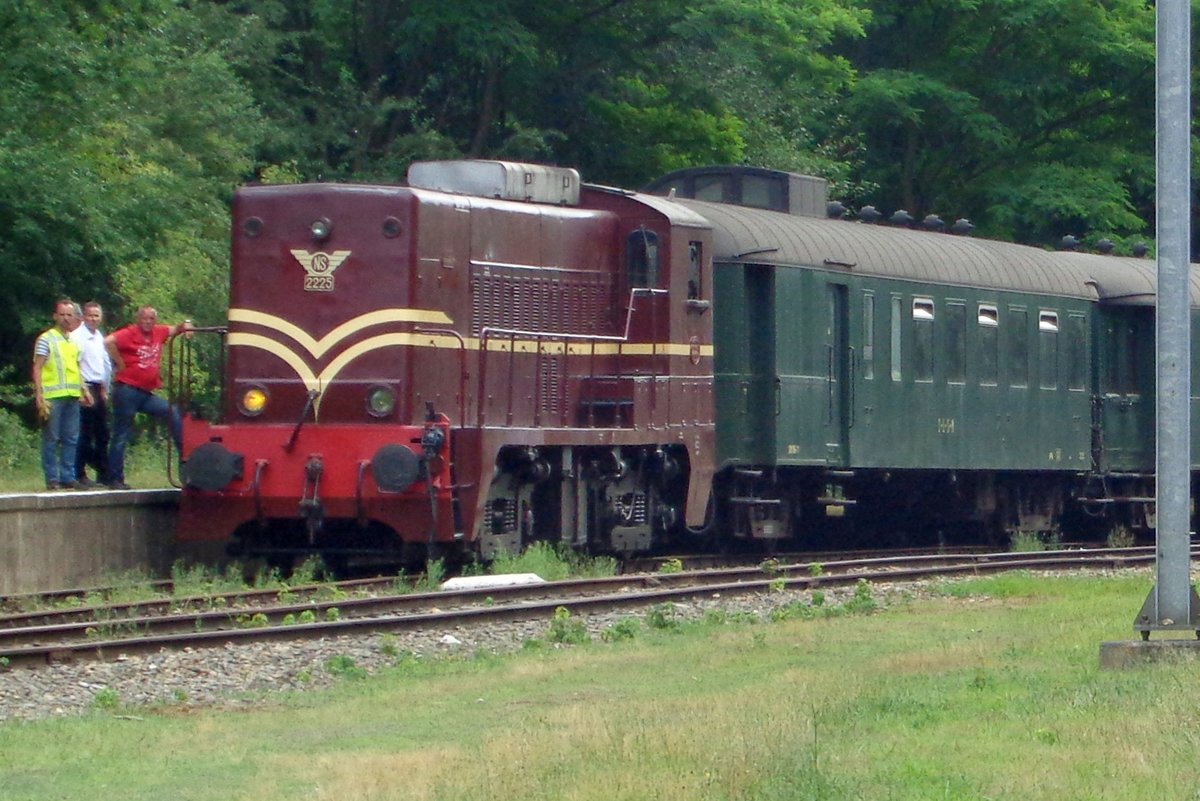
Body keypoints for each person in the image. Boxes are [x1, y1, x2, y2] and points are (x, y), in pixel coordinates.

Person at [105, 305, 193, 490]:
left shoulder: (158, 332)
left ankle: (186, 465)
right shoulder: (129, 333)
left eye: (151, 319)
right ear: (139, 319)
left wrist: (187, 326)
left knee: (172, 412)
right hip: (127, 390)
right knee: (122, 433)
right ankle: (115, 478)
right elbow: (108, 341)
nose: (147, 322)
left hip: (145, 392)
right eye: (144, 318)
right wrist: (119, 362)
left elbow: (175, 328)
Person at [33, 300, 93, 490]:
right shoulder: (46, 339)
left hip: (72, 396)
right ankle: (52, 478)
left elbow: (75, 368)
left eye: (69, 315)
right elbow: (38, 367)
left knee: (71, 438)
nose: (66, 318)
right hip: (53, 397)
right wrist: (39, 395)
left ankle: (68, 477)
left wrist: (84, 389)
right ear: (55, 316)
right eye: (62, 314)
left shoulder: (73, 342)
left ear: (74, 317)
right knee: (51, 438)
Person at [70, 301, 113, 487]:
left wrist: (105, 387)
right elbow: (75, 364)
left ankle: (103, 474)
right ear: (83, 317)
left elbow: (103, 365)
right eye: (90, 315)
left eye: (96, 316)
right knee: (84, 434)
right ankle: (79, 473)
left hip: (99, 386)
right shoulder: (77, 336)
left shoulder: (99, 336)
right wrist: (83, 390)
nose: (93, 319)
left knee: (103, 434)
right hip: (85, 387)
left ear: (101, 318)